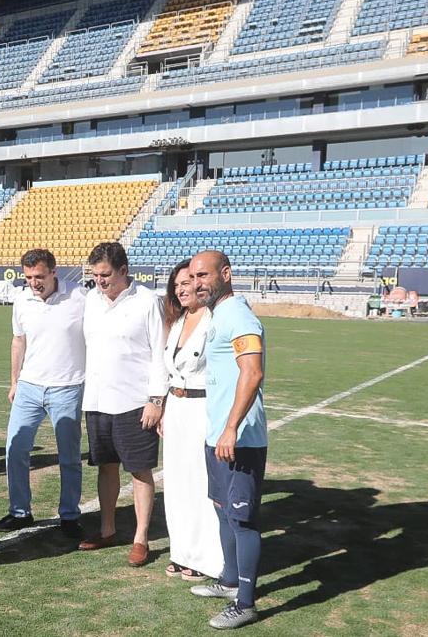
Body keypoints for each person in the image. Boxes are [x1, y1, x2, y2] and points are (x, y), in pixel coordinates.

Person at [188, 250, 268, 630]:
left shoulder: (237, 314)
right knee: (222, 508)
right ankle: (229, 580)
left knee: (242, 520)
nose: (197, 282)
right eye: (193, 276)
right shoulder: (218, 315)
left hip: (240, 439)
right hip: (219, 435)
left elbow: (252, 373)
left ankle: (246, 602)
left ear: (226, 274)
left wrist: (232, 427)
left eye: (203, 275)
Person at [77, 242, 166, 568]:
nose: (99, 281)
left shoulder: (147, 302)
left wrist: (156, 400)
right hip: (98, 401)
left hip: (135, 402)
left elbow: (160, 353)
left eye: (105, 275)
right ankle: (107, 530)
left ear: (124, 271)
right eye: (95, 275)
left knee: (140, 471)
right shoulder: (90, 300)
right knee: (106, 467)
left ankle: (141, 538)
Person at [0, 248, 87, 538]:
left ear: (54, 272)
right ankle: (20, 511)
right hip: (29, 387)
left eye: (40, 276)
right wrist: (14, 381)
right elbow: (18, 341)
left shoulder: (80, 298)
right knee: (15, 450)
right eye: (29, 277)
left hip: (68, 388)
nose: (34, 282)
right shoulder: (21, 300)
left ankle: (69, 515)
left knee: (69, 456)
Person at [159, 259, 223, 582]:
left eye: (188, 282)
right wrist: (164, 406)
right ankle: (181, 551)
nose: (182, 289)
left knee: (201, 484)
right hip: (177, 407)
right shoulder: (178, 320)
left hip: (203, 408)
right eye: (178, 284)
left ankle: (206, 558)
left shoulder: (215, 320)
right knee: (176, 484)